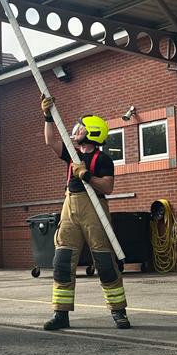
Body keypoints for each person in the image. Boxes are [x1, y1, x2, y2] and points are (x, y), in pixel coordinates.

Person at [41, 95, 130, 331]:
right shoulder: (71, 153)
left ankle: (118, 311)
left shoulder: (103, 159)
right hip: (70, 206)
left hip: (94, 208)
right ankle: (61, 314)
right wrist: (48, 116)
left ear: (91, 132)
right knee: (61, 261)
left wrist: (87, 176)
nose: (75, 130)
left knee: (104, 261)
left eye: (80, 127)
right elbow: (51, 140)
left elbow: (108, 187)